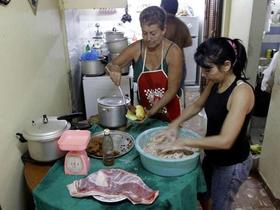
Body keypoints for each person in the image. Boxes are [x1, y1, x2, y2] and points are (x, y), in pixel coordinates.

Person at [156, 37, 255, 210]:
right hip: (212, 156)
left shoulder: (242, 92)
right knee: (202, 193)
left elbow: (225, 140)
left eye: (208, 69)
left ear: (226, 65)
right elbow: (197, 105)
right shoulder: (215, 81)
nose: (203, 73)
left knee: (220, 205)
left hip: (232, 163)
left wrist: (183, 142)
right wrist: (174, 124)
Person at [106, 6, 184, 122]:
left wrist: (152, 111)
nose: (148, 38)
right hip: (144, 112)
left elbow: (172, 89)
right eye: (144, 33)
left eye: (153, 33)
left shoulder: (173, 52)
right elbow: (109, 66)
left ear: (163, 30)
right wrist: (113, 70)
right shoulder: (137, 48)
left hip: (170, 112)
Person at [160, 0, 192, 92]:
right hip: (180, 64)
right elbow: (188, 43)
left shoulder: (160, 25)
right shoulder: (181, 25)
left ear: (162, 7)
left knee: (161, 93)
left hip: (163, 64)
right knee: (177, 93)